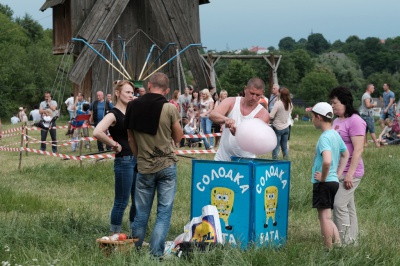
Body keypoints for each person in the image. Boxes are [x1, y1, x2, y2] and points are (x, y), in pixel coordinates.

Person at [125, 72, 183, 258]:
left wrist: (140, 157)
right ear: (167, 90)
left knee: (141, 213)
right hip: (166, 165)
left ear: (148, 85)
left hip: (144, 166)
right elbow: (178, 137)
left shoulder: (132, 106)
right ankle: (156, 254)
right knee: (163, 213)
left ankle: (134, 250)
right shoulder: (169, 108)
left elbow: (130, 139)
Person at [93, 80, 137, 235]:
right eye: (127, 92)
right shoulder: (113, 114)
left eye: (132, 93)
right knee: (122, 201)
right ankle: (114, 235)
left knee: (137, 201)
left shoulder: (132, 112)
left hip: (138, 160)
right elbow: (97, 131)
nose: (131, 95)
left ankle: (135, 235)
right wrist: (113, 144)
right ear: (118, 93)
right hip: (124, 160)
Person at [329, 86, 366, 245]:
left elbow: (358, 149)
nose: (333, 106)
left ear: (345, 102)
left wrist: (350, 174)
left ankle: (344, 243)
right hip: (338, 171)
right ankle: (352, 242)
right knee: (348, 206)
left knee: (338, 204)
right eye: (331, 103)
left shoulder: (355, 120)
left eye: (335, 103)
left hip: (351, 172)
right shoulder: (337, 121)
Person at [310, 102, 349, 249]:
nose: (312, 120)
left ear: (319, 117)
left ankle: (328, 249)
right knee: (327, 217)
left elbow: (327, 160)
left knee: (324, 218)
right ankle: (337, 244)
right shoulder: (335, 135)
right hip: (333, 182)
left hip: (324, 183)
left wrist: (324, 177)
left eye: (313, 117)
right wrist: (337, 175)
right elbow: (345, 154)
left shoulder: (324, 138)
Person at [209, 77, 270, 161]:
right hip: (222, 159)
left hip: (245, 161)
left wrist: (239, 134)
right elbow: (212, 115)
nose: (254, 97)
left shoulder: (263, 113)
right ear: (245, 89)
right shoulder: (231, 101)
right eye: (252, 93)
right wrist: (225, 119)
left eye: (258, 95)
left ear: (262, 93)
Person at [270, 87, 293, 160]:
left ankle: (275, 162)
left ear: (281, 94)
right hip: (286, 128)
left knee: (275, 148)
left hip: (277, 128)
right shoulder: (290, 104)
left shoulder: (278, 103)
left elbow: (271, 115)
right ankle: (286, 161)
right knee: (284, 148)